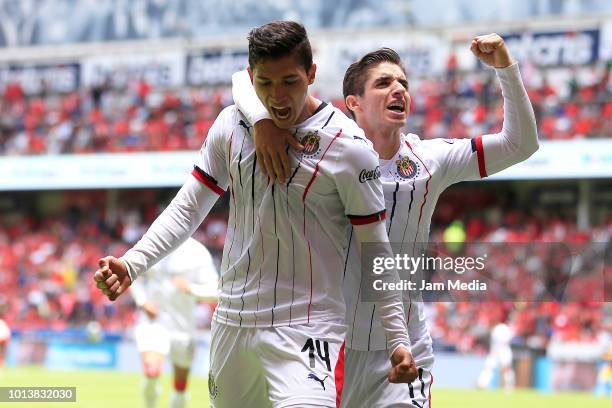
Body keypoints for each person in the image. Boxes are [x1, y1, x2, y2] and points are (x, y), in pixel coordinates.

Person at [94, 20, 416, 408]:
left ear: (312, 74)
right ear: (251, 78)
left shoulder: (350, 148)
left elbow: (375, 249)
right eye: (265, 83)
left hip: (308, 329)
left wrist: (397, 337)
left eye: (290, 82)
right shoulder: (231, 124)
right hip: (233, 322)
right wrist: (132, 264)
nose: (278, 97)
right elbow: (188, 207)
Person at [232, 33, 538, 407]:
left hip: (405, 344)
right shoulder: (326, 152)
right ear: (352, 104)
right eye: (383, 83)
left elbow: (521, 144)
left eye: (403, 83)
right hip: (331, 344)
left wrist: (505, 67)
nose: (398, 89)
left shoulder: (431, 159)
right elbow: (241, 80)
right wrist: (263, 120)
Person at [130, 237, 218, 408]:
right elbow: (134, 274)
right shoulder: (153, 241)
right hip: (153, 323)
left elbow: (216, 290)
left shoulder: (198, 252)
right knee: (151, 371)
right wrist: (142, 302)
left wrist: (192, 289)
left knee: (180, 386)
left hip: (183, 327)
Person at [477, 313, 516, 391]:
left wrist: (496, 351)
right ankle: (482, 384)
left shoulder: (500, 328)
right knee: (490, 368)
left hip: (501, 351)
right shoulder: (503, 328)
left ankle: (509, 386)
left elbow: (503, 341)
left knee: (505, 369)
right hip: (499, 351)